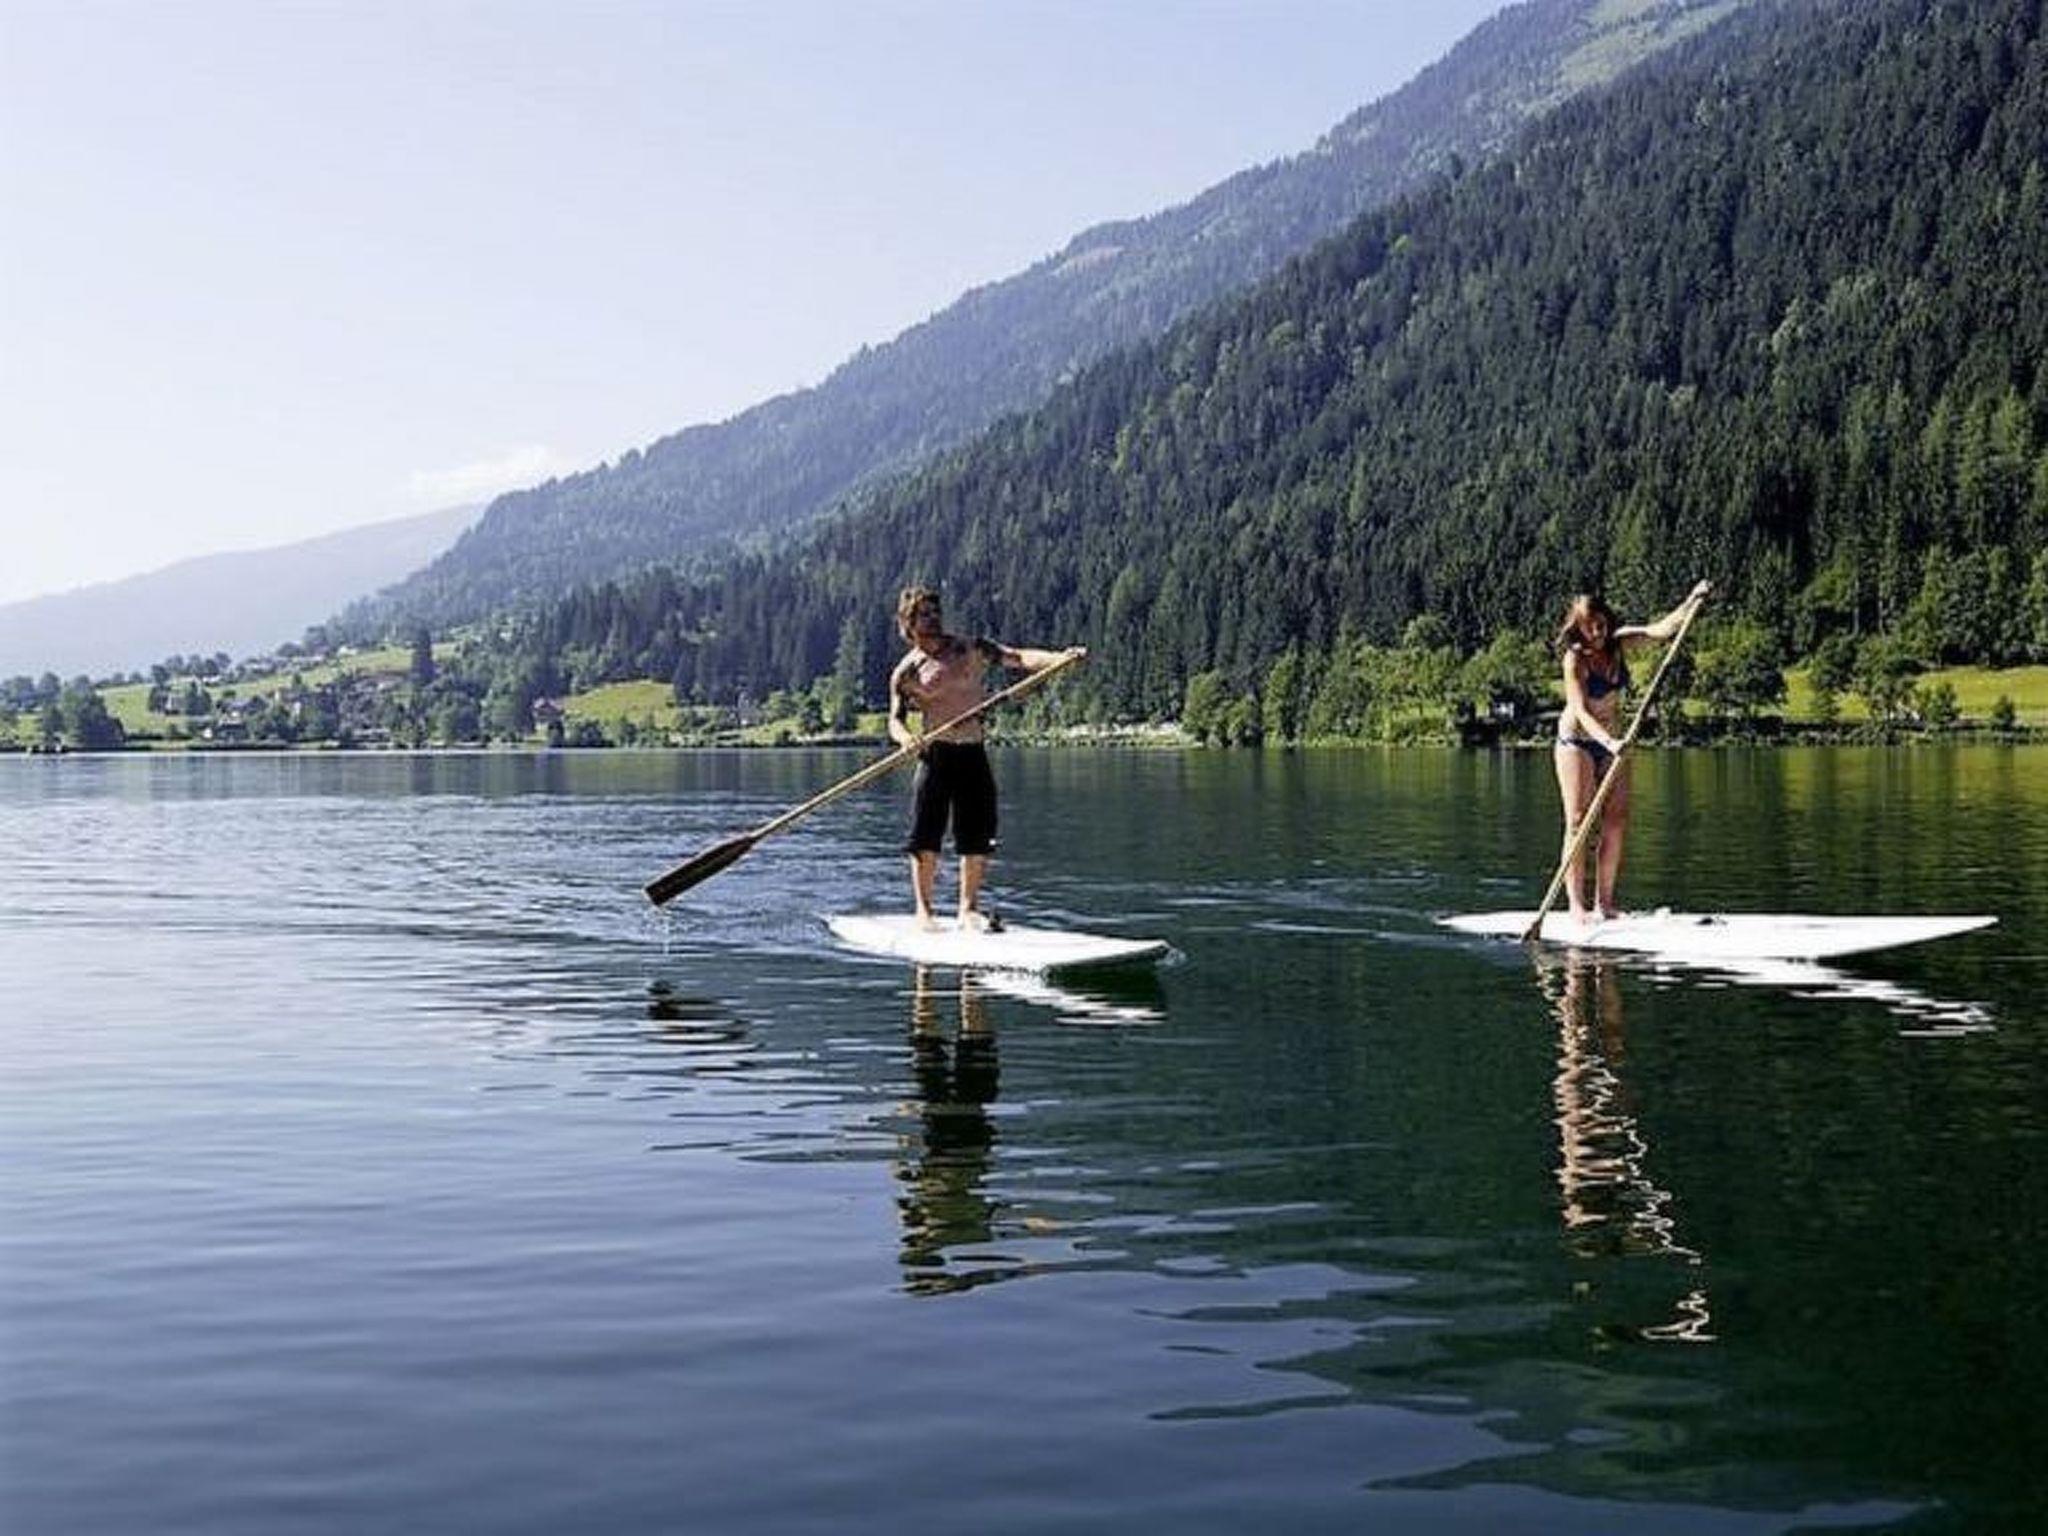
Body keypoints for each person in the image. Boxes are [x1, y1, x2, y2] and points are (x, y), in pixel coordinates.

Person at [887, 586, 1083, 931]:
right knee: (925, 835)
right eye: (924, 614)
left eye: (935, 611)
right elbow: (895, 720)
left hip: (972, 752)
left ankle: (968, 909)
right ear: (908, 623)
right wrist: (905, 739)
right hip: (935, 755)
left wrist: (1058, 659)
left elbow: (1017, 657)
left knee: (977, 833)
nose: (933, 619)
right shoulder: (907, 673)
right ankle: (924, 911)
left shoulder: (969, 648)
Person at [1552, 580, 1710, 922]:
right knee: (1578, 822)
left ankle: (1605, 904)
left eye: (1602, 623)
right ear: (1578, 628)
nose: (1598, 631)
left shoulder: (1619, 642)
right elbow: (1580, 710)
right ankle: (1576, 906)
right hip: (1577, 742)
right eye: (1590, 626)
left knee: (1617, 819)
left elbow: (1661, 631)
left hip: (1613, 741)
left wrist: (1691, 601)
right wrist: (1609, 743)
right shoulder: (1574, 659)